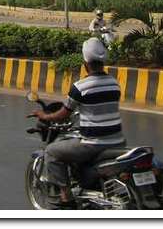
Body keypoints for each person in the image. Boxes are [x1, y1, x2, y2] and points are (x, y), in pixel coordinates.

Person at [31, 38, 125, 208]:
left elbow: (62, 115)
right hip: (117, 141)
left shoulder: (80, 87)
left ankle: (66, 198)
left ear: (85, 64)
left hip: (93, 144)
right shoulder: (114, 83)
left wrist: (44, 116)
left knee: (51, 152)